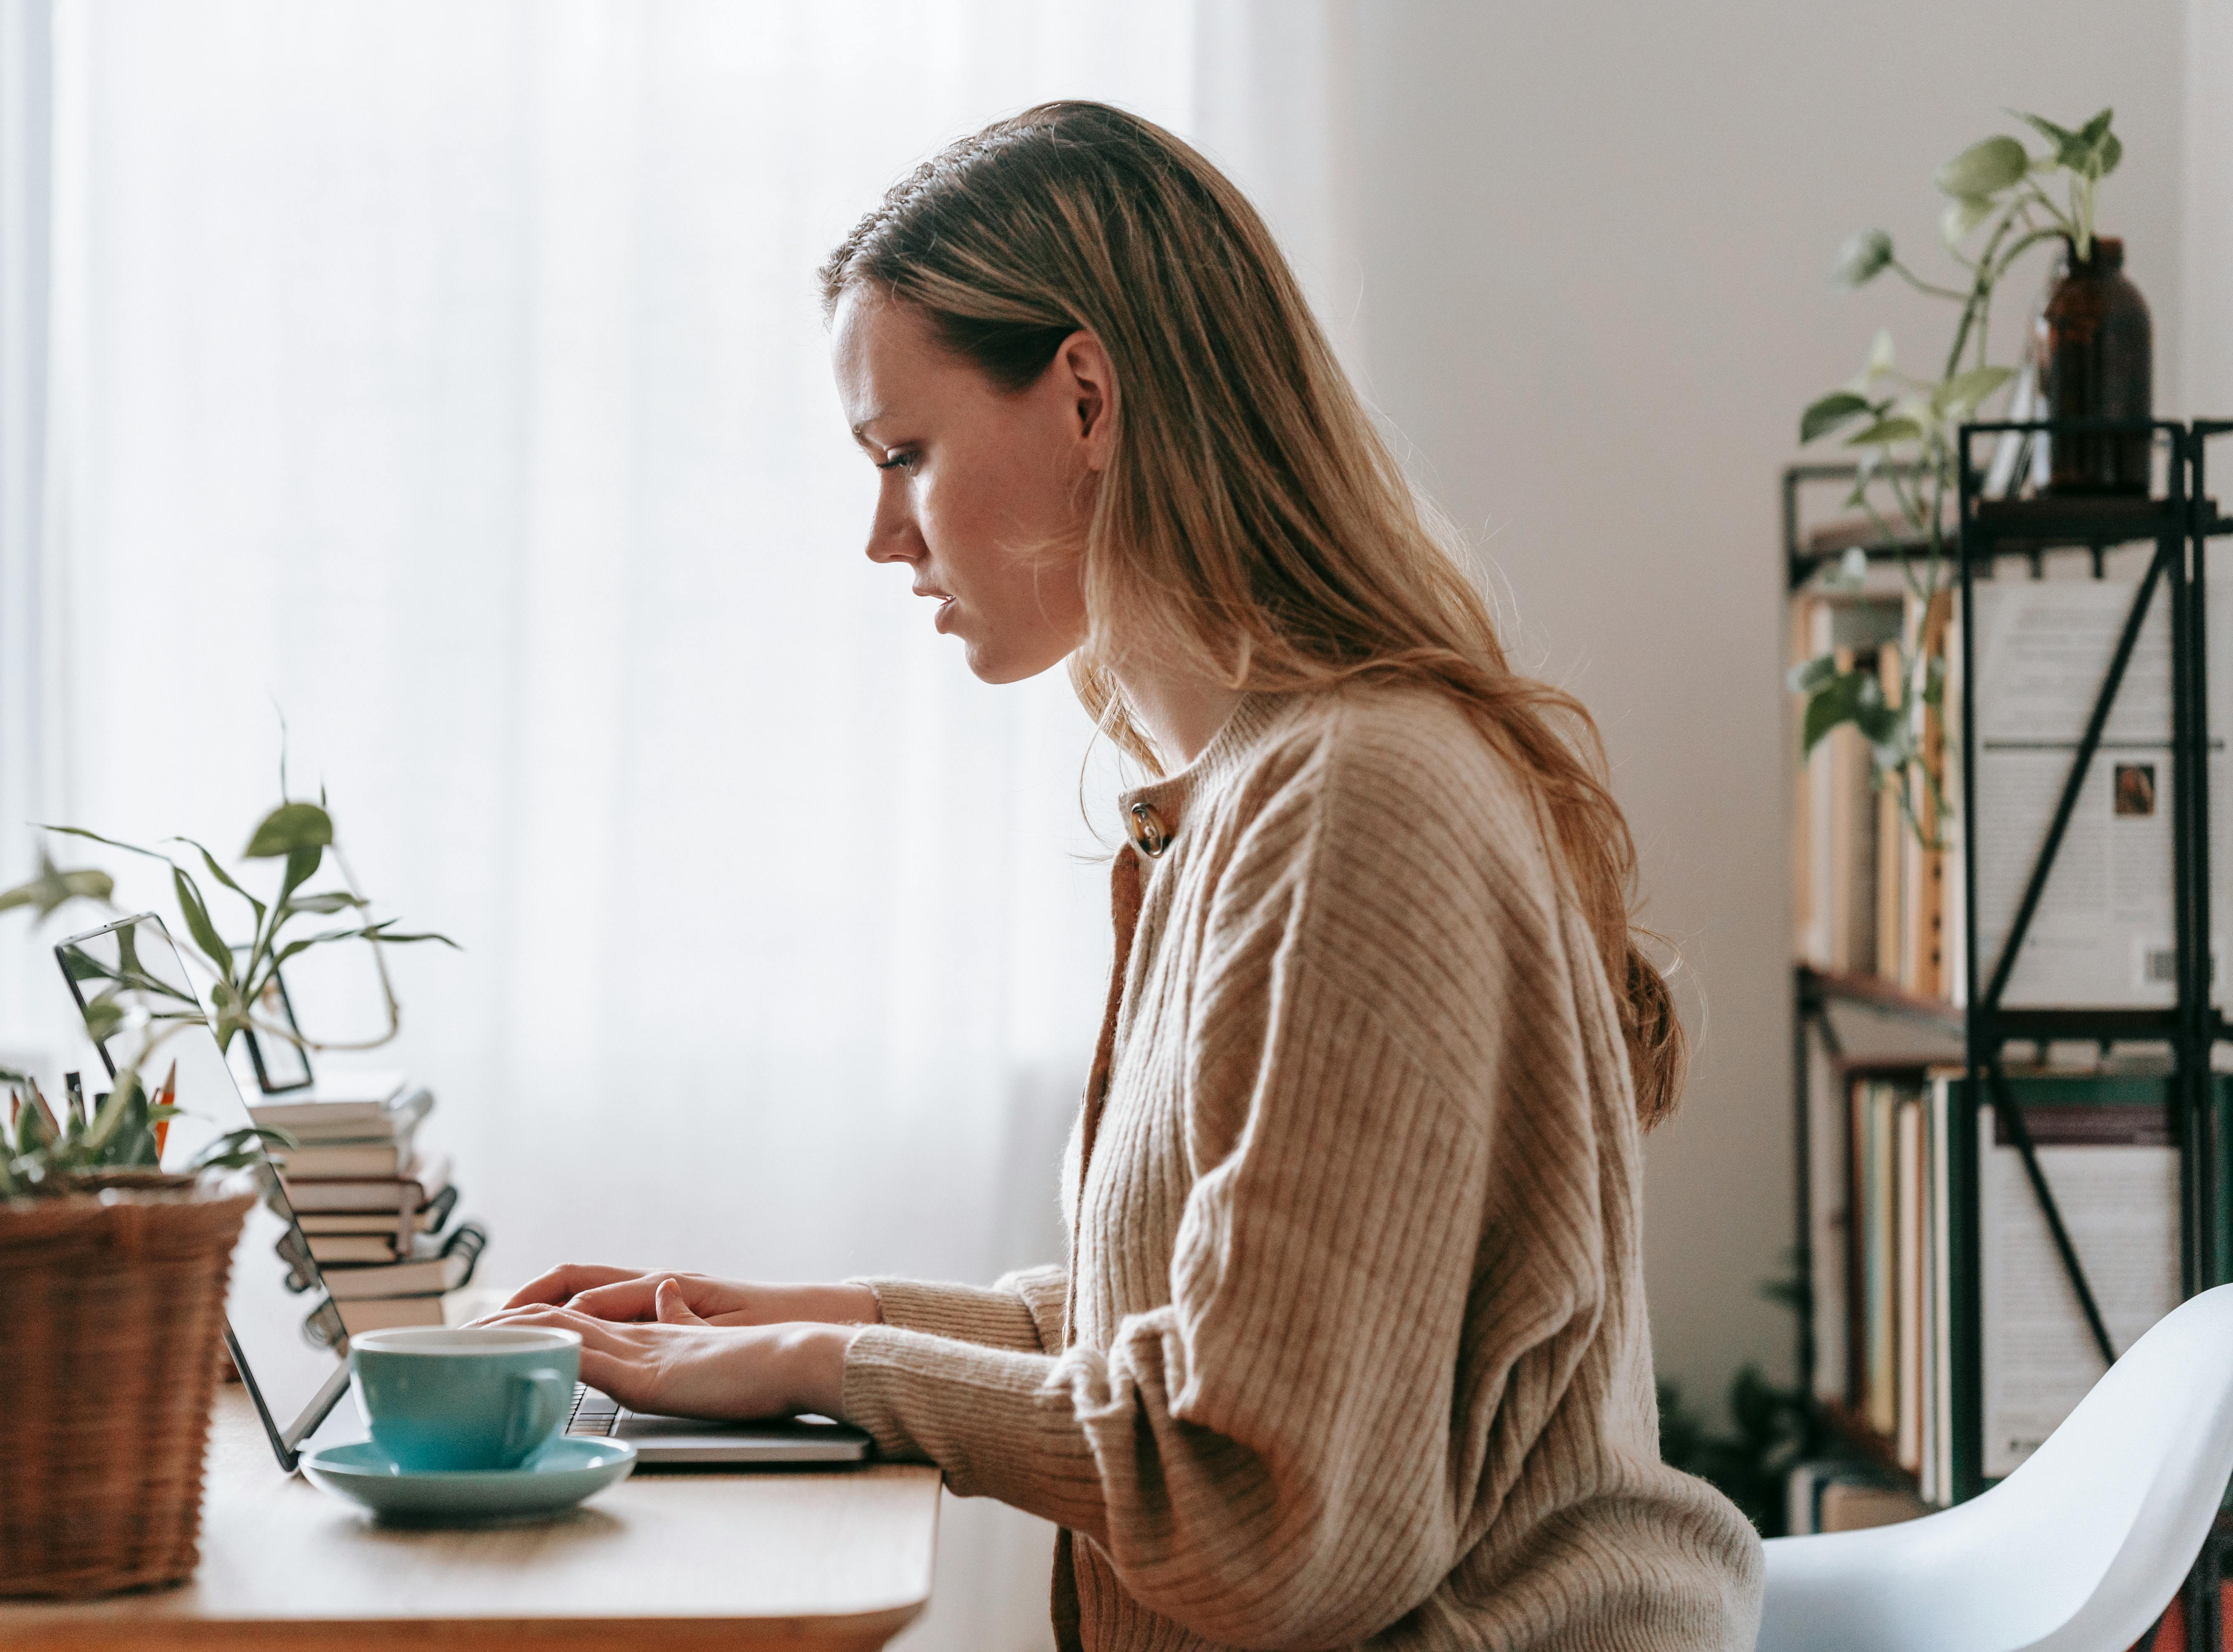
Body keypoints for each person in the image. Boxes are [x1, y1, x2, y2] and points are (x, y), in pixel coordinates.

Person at [478, 100, 1763, 1651]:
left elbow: (1260, 1515)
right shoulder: (1250, 793)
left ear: (1085, 396)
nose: (885, 535)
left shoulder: (1358, 799)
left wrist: (837, 1375)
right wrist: (804, 1321)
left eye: (907, 454)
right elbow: (1181, 1333)